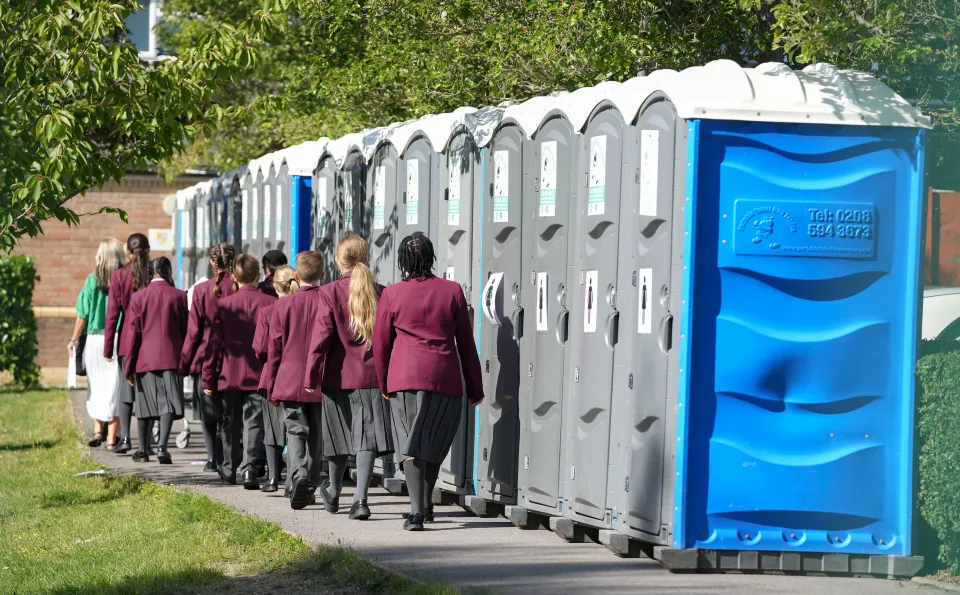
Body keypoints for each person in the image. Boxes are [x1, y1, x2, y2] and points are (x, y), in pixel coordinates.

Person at [374, 233, 484, 531]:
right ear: (431, 257)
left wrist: (383, 383)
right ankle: (422, 505)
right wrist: (475, 387)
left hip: (403, 379)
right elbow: (466, 343)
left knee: (409, 444)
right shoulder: (452, 291)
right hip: (443, 377)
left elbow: (381, 344)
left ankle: (416, 512)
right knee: (433, 441)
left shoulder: (392, 294)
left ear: (403, 261)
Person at [305, 235, 392, 520]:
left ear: (338, 260)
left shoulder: (328, 292)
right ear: (366, 257)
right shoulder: (381, 291)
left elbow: (321, 339)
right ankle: (361, 500)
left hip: (336, 378)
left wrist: (311, 375)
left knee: (337, 438)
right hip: (371, 377)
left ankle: (334, 493)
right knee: (366, 439)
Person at [203, 254, 275, 488]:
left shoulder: (223, 306)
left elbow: (214, 344)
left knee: (230, 422)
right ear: (258, 276)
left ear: (234, 276)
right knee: (254, 421)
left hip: (229, 373)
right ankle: (249, 468)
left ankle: (229, 467)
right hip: (258, 373)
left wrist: (208, 378)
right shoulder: (269, 302)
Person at [262, 251, 326, 510]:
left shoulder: (282, 306)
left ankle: (298, 476)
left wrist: (272, 387)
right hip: (320, 379)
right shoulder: (329, 300)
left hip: (288, 379)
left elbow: (274, 350)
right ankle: (308, 483)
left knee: (295, 431)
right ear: (323, 275)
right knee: (317, 436)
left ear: (297, 276)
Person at [124, 257, 188, 464]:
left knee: (144, 404)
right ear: (168, 271)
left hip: (145, 358)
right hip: (171, 357)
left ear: (149, 272)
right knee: (167, 403)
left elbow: (133, 335)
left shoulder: (138, 297)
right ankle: (162, 446)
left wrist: (129, 366)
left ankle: (142, 450)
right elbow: (185, 330)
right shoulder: (179, 296)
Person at [179, 244, 236, 472]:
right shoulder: (238, 287)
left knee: (208, 412)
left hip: (205, 357)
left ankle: (212, 457)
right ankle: (230, 456)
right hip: (235, 357)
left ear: (212, 263)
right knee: (232, 411)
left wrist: (184, 363)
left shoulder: (202, 290)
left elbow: (193, 331)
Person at [70, 238, 126, 450]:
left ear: (102, 257)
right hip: (118, 338)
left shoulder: (91, 280)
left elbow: (82, 313)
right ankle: (112, 438)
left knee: (96, 385)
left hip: (94, 339)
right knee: (115, 386)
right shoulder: (125, 281)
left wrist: (74, 338)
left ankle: (96, 430)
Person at [104, 232, 151, 454]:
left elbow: (112, 314)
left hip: (126, 339)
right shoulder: (153, 274)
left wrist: (107, 347)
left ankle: (125, 439)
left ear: (128, 252)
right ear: (148, 251)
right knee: (148, 390)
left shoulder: (119, 276)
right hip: (151, 338)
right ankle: (147, 441)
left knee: (126, 391)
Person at [253, 264, 298, 493]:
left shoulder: (268, 311)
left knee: (272, 429)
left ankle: (272, 478)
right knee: (295, 429)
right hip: (297, 376)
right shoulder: (300, 307)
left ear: (274, 285)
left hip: (271, 374)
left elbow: (260, 348)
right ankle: (293, 478)